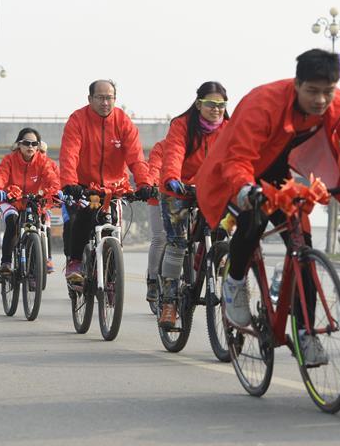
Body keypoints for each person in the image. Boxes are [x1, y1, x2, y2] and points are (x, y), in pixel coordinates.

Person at [195, 49, 340, 365]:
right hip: (236, 174)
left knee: (303, 250)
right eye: (312, 91)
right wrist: (246, 189)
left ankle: (305, 333)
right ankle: (234, 283)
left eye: (328, 91)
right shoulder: (261, 104)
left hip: (279, 175)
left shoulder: (336, 103)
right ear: (296, 85)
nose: (320, 100)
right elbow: (237, 159)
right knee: (253, 220)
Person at [59, 80, 156, 285]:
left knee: (113, 227)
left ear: (115, 99)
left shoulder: (123, 122)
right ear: (90, 99)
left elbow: (136, 157)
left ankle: (112, 276)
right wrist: (69, 182)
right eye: (100, 98)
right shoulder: (78, 120)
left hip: (115, 187)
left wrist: (144, 184)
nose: (105, 103)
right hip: (85, 186)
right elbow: (69, 154)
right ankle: (75, 261)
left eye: (109, 98)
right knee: (83, 217)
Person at [157, 82, 231, 327]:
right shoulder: (182, 125)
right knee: (177, 244)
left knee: (221, 231)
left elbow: (236, 158)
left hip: (212, 191)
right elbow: (174, 153)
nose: (216, 109)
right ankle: (169, 304)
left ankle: (206, 262)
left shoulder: (229, 129)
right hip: (179, 189)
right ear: (199, 104)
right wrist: (171, 178)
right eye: (211, 104)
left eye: (221, 105)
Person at [0, 128, 60, 276]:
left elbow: (52, 178)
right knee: (12, 221)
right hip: (10, 200)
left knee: (39, 224)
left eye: (34, 144)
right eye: (26, 143)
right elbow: (0, 176)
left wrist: (56, 191)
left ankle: (39, 259)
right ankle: (6, 262)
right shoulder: (9, 159)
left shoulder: (43, 161)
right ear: (19, 144)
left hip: (32, 201)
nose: (30, 147)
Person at [145, 139, 167, 304]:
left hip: (187, 196)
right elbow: (154, 167)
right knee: (160, 238)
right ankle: (153, 280)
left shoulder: (196, 144)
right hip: (159, 197)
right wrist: (153, 184)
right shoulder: (161, 147)